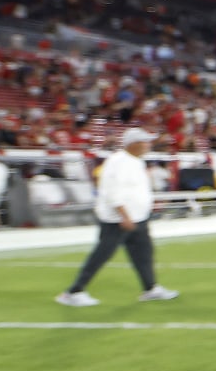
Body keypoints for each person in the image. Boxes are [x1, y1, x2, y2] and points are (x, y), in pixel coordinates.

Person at [55, 127, 179, 306]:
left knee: (144, 254)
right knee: (102, 254)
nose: (148, 145)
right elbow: (112, 191)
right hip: (118, 220)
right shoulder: (118, 162)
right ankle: (73, 292)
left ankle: (150, 288)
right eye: (144, 141)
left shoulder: (135, 161)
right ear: (132, 144)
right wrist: (124, 215)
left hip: (138, 218)